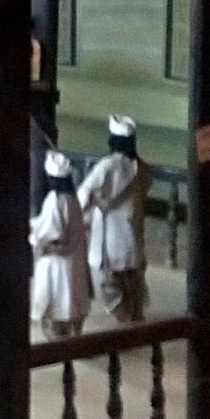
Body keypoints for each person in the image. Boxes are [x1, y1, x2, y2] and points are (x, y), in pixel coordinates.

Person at [79, 113, 150, 323]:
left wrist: (78, 215)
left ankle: (124, 318)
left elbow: (85, 192)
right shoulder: (141, 167)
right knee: (132, 277)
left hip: (109, 231)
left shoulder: (107, 165)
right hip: (132, 230)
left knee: (110, 280)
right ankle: (135, 314)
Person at [32, 150, 93, 339]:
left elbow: (51, 231)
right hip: (74, 262)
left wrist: (33, 235)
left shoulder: (54, 199)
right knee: (72, 304)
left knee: (56, 309)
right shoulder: (72, 198)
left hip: (56, 264)